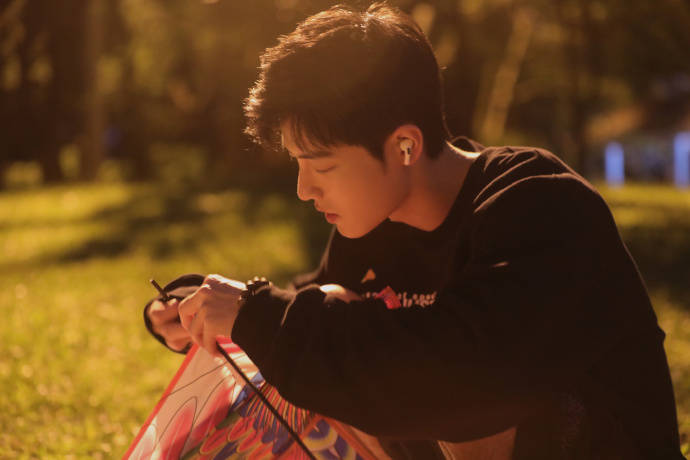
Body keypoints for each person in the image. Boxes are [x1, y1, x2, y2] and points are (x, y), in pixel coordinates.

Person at [143, 3, 684, 459]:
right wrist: (200, 310)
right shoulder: (375, 226)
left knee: (450, 390)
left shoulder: (539, 206)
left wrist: (257, 313)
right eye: (297, 165)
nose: (304, 189)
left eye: (322, 165)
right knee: (333, 306)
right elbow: (307, 316)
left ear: (405, 145)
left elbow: (464, 379)